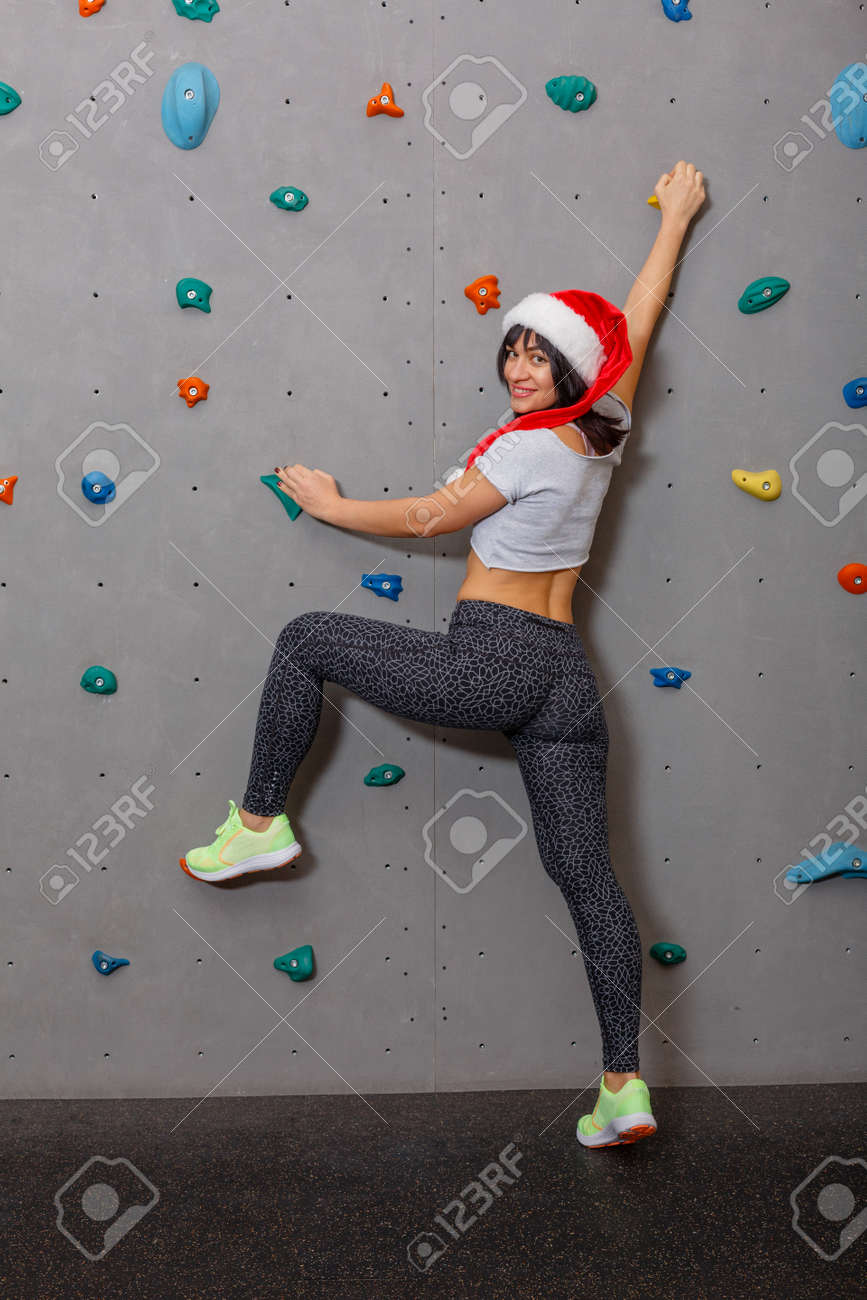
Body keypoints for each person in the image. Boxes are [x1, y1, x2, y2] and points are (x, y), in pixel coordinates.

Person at [181, 161, 707, 1149]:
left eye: (539, 356)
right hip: (566, 679)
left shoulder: (522, 446)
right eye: (511, 352)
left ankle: (257, 822)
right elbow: (633, 327)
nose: (518, 370)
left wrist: (332, 504)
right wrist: (673, 220)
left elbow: (431, 518)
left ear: (570, 368)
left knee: (305, 638)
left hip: (495, 659)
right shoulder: (602, 430)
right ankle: (623, 1085)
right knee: (587, 877)